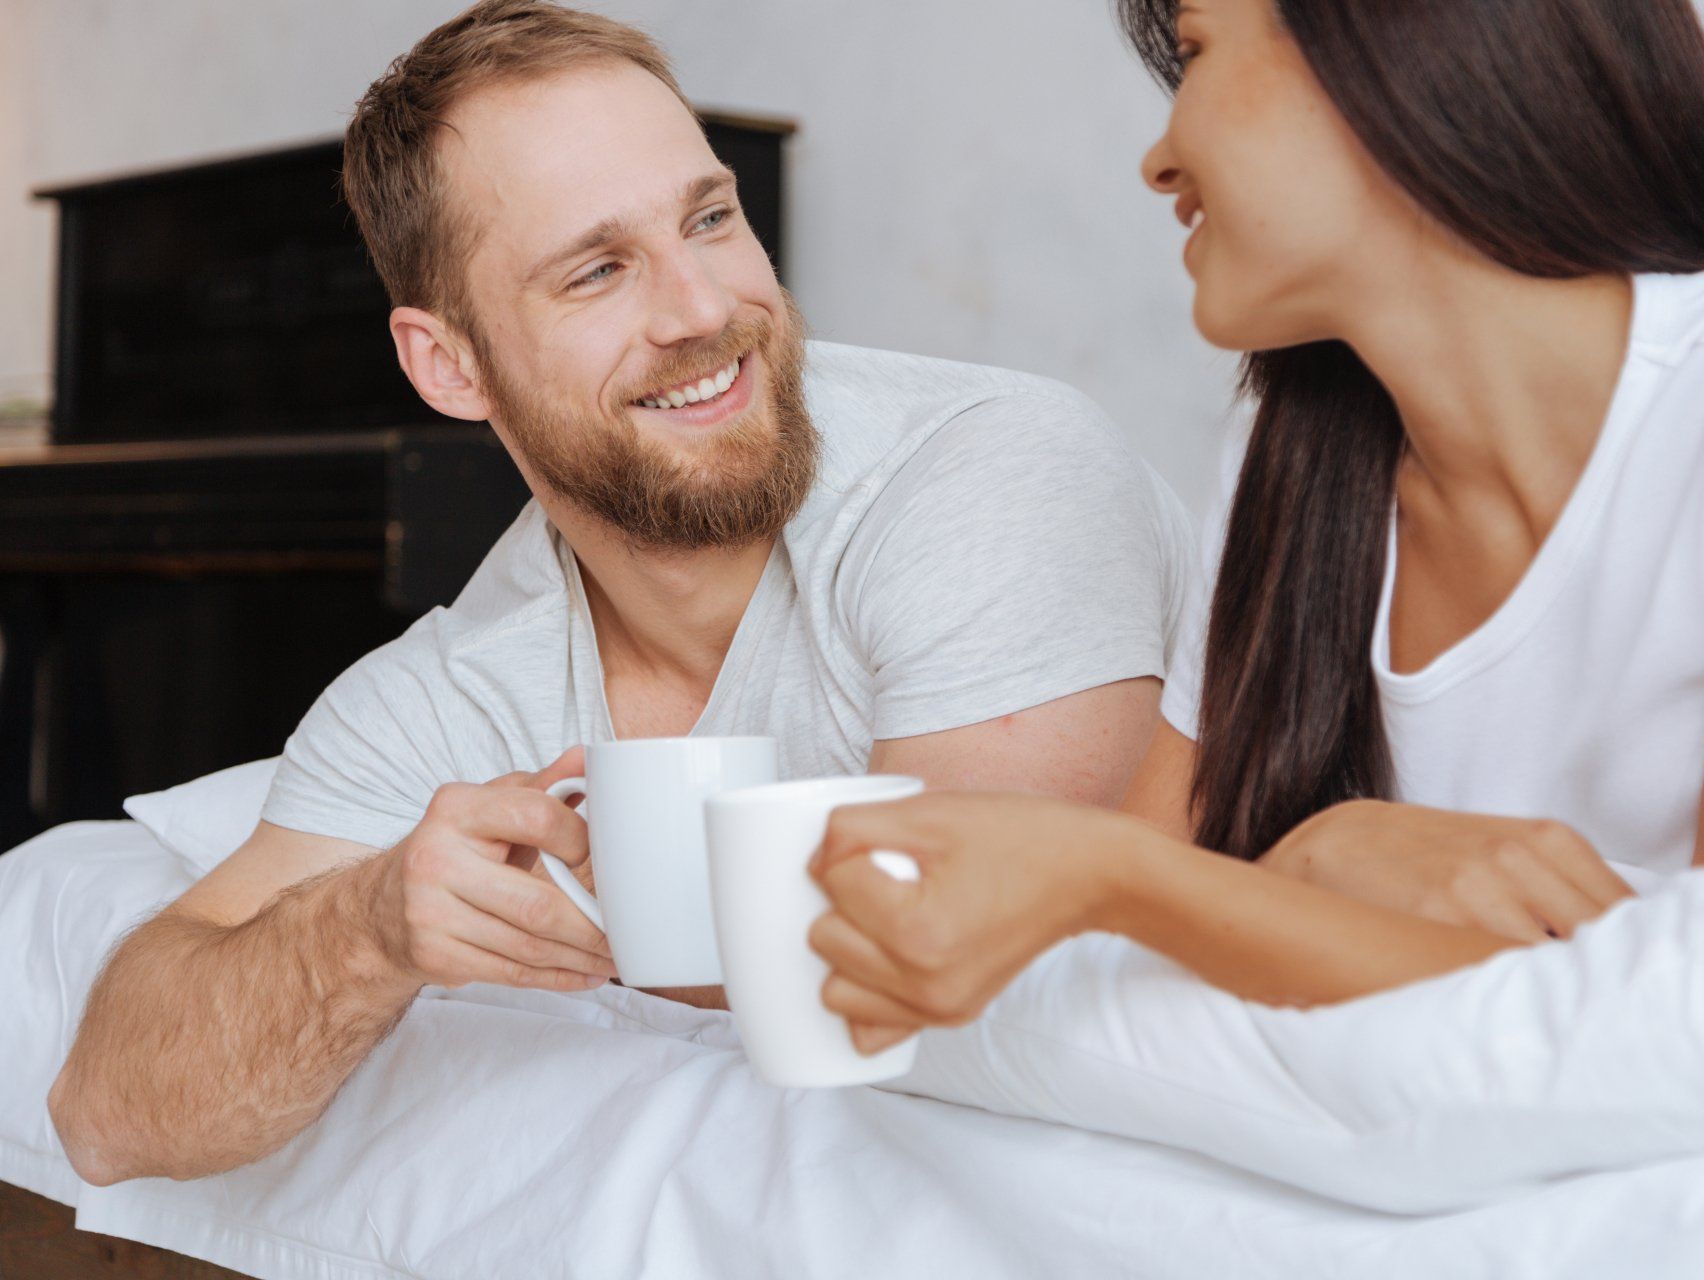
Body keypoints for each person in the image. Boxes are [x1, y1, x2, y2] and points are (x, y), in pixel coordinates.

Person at [48, 0, 1195, 1185]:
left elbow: (958, 975)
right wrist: (370, 925)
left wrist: (618, 923)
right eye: (597, 270)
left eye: (711, 219)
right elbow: (109, 1114)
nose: (703, 310)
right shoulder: (470, 679)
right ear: (451, 362)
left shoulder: (989, 471)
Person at [807, 0, 1704, 1054]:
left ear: (1384, 48)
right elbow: (1111, 975)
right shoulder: (1290, 463)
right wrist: (1304, 862)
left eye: (1193, 52)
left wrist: (1144, 876)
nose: (1159, 159)